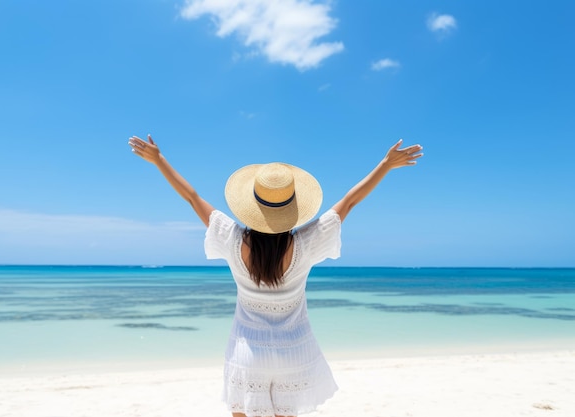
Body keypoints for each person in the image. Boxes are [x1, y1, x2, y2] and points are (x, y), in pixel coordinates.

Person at [128, 135, 423, 417]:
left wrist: (159, 160)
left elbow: (192, 198)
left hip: (247, 353)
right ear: (292, 208)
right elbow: (349, 201)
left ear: (251, 206)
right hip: (294, 351)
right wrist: (385, 165)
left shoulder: (232, 239)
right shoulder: (306, 243)